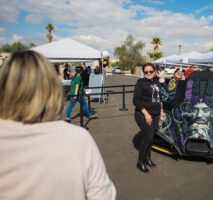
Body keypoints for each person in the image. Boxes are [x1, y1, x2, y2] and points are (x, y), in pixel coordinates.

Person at [0, 50, 116, 200]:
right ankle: (76, 115)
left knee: (84, 107)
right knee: (81, 107)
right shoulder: (77, 139)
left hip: (78, 96)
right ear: (50, 85)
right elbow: (103, 196)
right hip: (77, 98)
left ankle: (82, 115)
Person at [133, 63, 164, 173]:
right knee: (147, 136)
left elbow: (159, 97)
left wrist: (161, 110)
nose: (149, 73)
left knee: (151, 137)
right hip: (143, 114)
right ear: (144, 73)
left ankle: (147, 159)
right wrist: (146, 114)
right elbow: (135, 101)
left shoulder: (156, 81)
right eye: (146, 72)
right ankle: (140, 162)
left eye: (151, 71)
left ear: (154, 71)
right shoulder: (141, 83)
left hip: (156, 114)